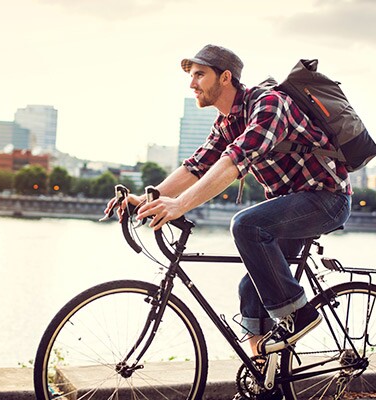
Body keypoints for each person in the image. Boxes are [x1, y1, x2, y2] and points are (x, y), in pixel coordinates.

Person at [107, 43, 352, 395]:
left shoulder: (268, 104)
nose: (192, 83)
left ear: (226, 77)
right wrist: (151, 198)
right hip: (291, 205)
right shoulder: (227, 122)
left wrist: (179, 206)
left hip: (326, 200)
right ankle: (267, 382)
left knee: (246, 225)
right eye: (190, 75)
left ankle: (301, 315)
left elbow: (233, 162)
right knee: (250, 289)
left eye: (199, 74)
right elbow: (197, 165)